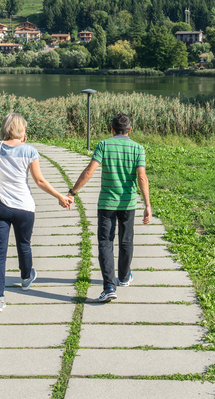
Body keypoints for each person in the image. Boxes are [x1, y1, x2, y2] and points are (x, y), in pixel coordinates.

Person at [0, 112, 71, 313]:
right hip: (23, 206)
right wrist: (59, 196)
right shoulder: (30, 151)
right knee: (24, 244)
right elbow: (39, 181)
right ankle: (26, 277)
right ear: (22, 131)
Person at [66, 112, 151, 302]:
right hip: (127, 203)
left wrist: (72, 192)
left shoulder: (104, 145)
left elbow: (89, 171)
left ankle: (109, 286)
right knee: (126, 240)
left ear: (111, 129)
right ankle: (123, 277)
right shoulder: (138, 148)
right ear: (130, 130)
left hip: (106, 203)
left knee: (105, 242)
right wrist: (147, 204)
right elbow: (142, 177)